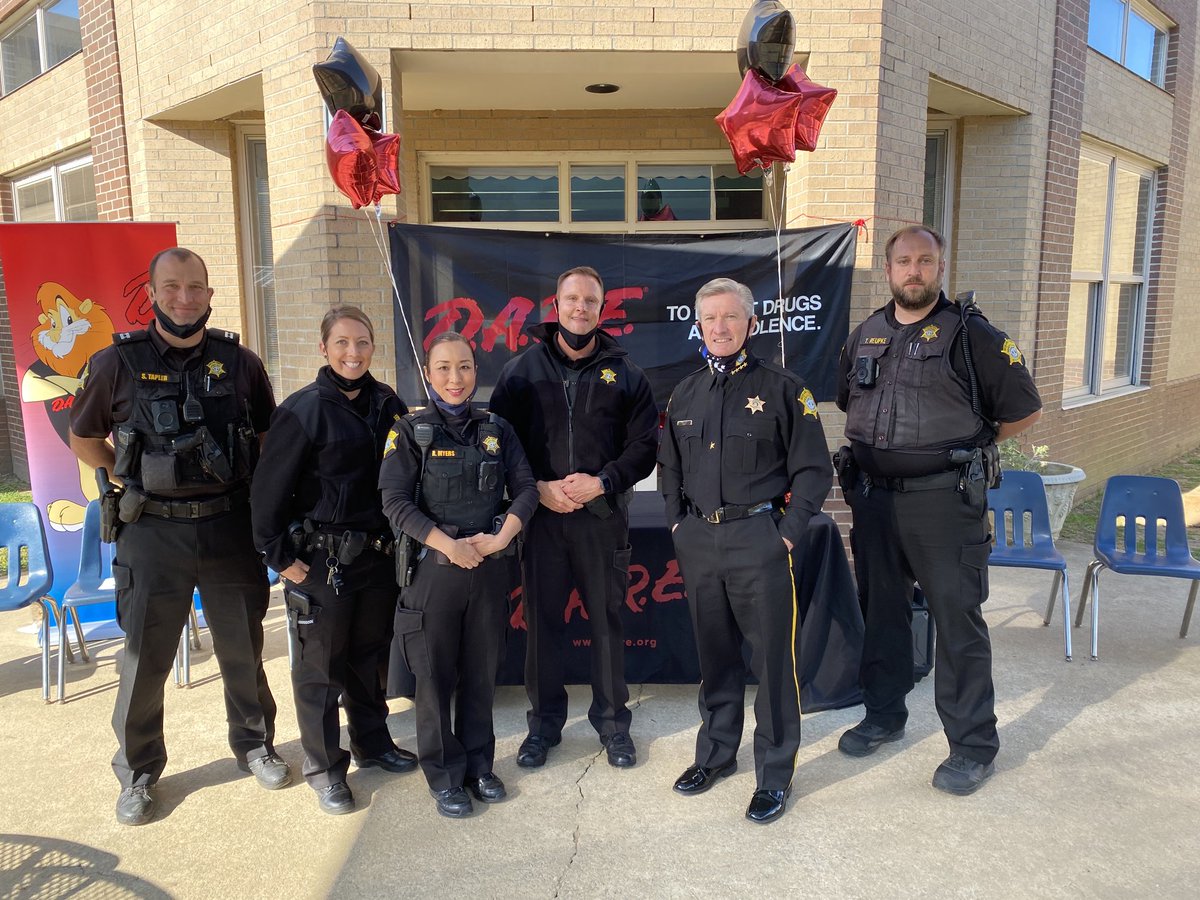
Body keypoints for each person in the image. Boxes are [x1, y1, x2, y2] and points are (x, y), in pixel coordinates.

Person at [68, 247, 286, 826]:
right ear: (154, 292)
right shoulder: (119, 362)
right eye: (171, 287)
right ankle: (139, 773)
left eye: (195, 287)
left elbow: (267, 436)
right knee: (143, 662)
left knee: (242, 651)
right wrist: (128, 476)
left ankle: (255, 744)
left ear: (211, 294)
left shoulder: (239, 362)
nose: (184, 298)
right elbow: (84, 435)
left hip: (228, 527)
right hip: (151, 533)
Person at [835, 225, 1042, 795]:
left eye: (925, 261)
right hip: (874, 499)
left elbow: (1025, 409)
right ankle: (884, 716)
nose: (914, 271)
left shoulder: (970, 334)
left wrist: (973, 445)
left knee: (957, 621)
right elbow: (848, 400)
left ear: (941, 267)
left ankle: (973, 745)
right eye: (904, 261)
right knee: (881, 611)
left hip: (943, 503)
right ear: (888, 269)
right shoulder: (866, 334)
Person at [659, 277, 832, 825]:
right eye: (710, 318)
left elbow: (813, 469)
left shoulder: (784, 388)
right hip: (700, 542)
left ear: (751, 323)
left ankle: (775, 773)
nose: (720, 327)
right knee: (714, 656)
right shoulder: (684, 393)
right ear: (700, 325)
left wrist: (786, 532)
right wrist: (676, 526)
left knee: (773, 663)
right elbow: (670, 468)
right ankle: (716, 754)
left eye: (731, 317)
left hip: (759, 539)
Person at [490, 266, 658, 770]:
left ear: (602, 309)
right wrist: (535, 489)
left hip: (601, 518)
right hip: (540, 519)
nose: (580, 308)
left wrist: (603, 481)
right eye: (571, 299)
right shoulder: (521, 370)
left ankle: (612, 726)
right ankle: (543, 727)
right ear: (556, 306)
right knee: (542, 625)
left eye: (590, 300)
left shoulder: (626, 373)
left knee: (607, 623)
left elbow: (645, 447)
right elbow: (500, 442)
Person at [250, 306, 417, 815]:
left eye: (362, 342)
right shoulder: (302, 411)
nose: (353, 352)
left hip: (376, 558)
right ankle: (324, 768)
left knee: (369, 661)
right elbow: (265, 494)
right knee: (320, 670)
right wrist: (283, 561)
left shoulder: (389, 405)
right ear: (324, 348)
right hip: (319, 563)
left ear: (373, 347)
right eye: (342, 342)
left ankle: (372, 742)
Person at [380, 332, 538, 818]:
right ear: (428, 374)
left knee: (480, 674)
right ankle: (445, 775)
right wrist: (448, 545)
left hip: (488, 568)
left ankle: (479, 766)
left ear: (475, 371)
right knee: (432, 677)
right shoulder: (409, 432)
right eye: (444, 368)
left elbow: (527, 489)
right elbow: (394, 501)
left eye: (465, 367)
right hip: (435, 572)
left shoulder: (497, 429)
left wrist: (502, 536)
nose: (456, 377)